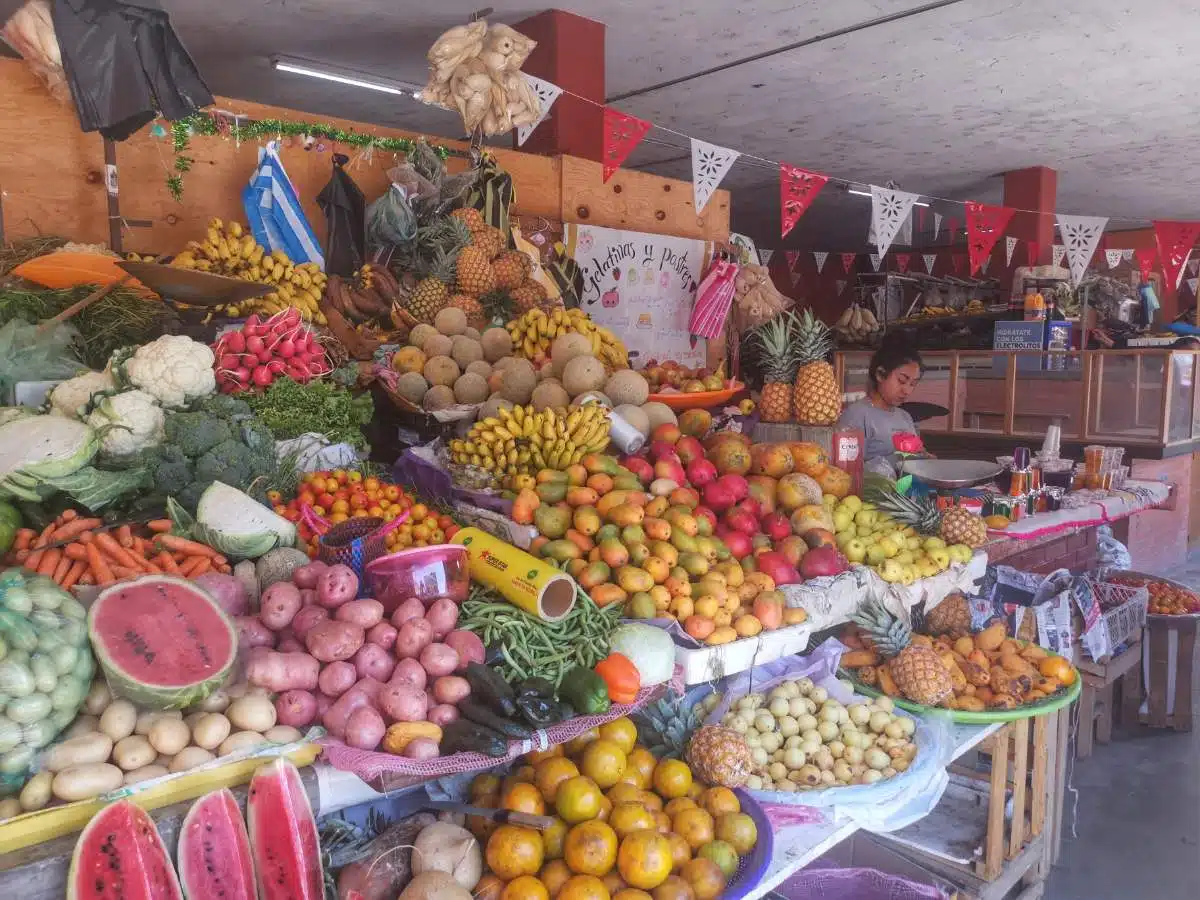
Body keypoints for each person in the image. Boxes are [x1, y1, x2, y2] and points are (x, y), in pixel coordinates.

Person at [837, 338, 924, 477]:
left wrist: (923, 458)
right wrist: (893, 462)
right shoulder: (856, 416)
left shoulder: (905, 417)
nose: (907, 390)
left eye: (913, 384)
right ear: (880, 374)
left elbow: (916, 456)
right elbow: (846, 472)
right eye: (902, 381)